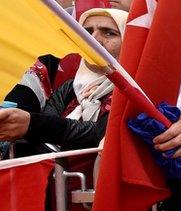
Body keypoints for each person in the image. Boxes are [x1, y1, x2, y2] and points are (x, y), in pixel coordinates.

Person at [0, 8, 126, 149]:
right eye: (87, 32)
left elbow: (105, 133)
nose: (93, 40)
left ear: (129, 41)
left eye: (109, 33)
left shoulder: (135, 90)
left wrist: (31, 124)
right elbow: (48, 125)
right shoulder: (71, 87)